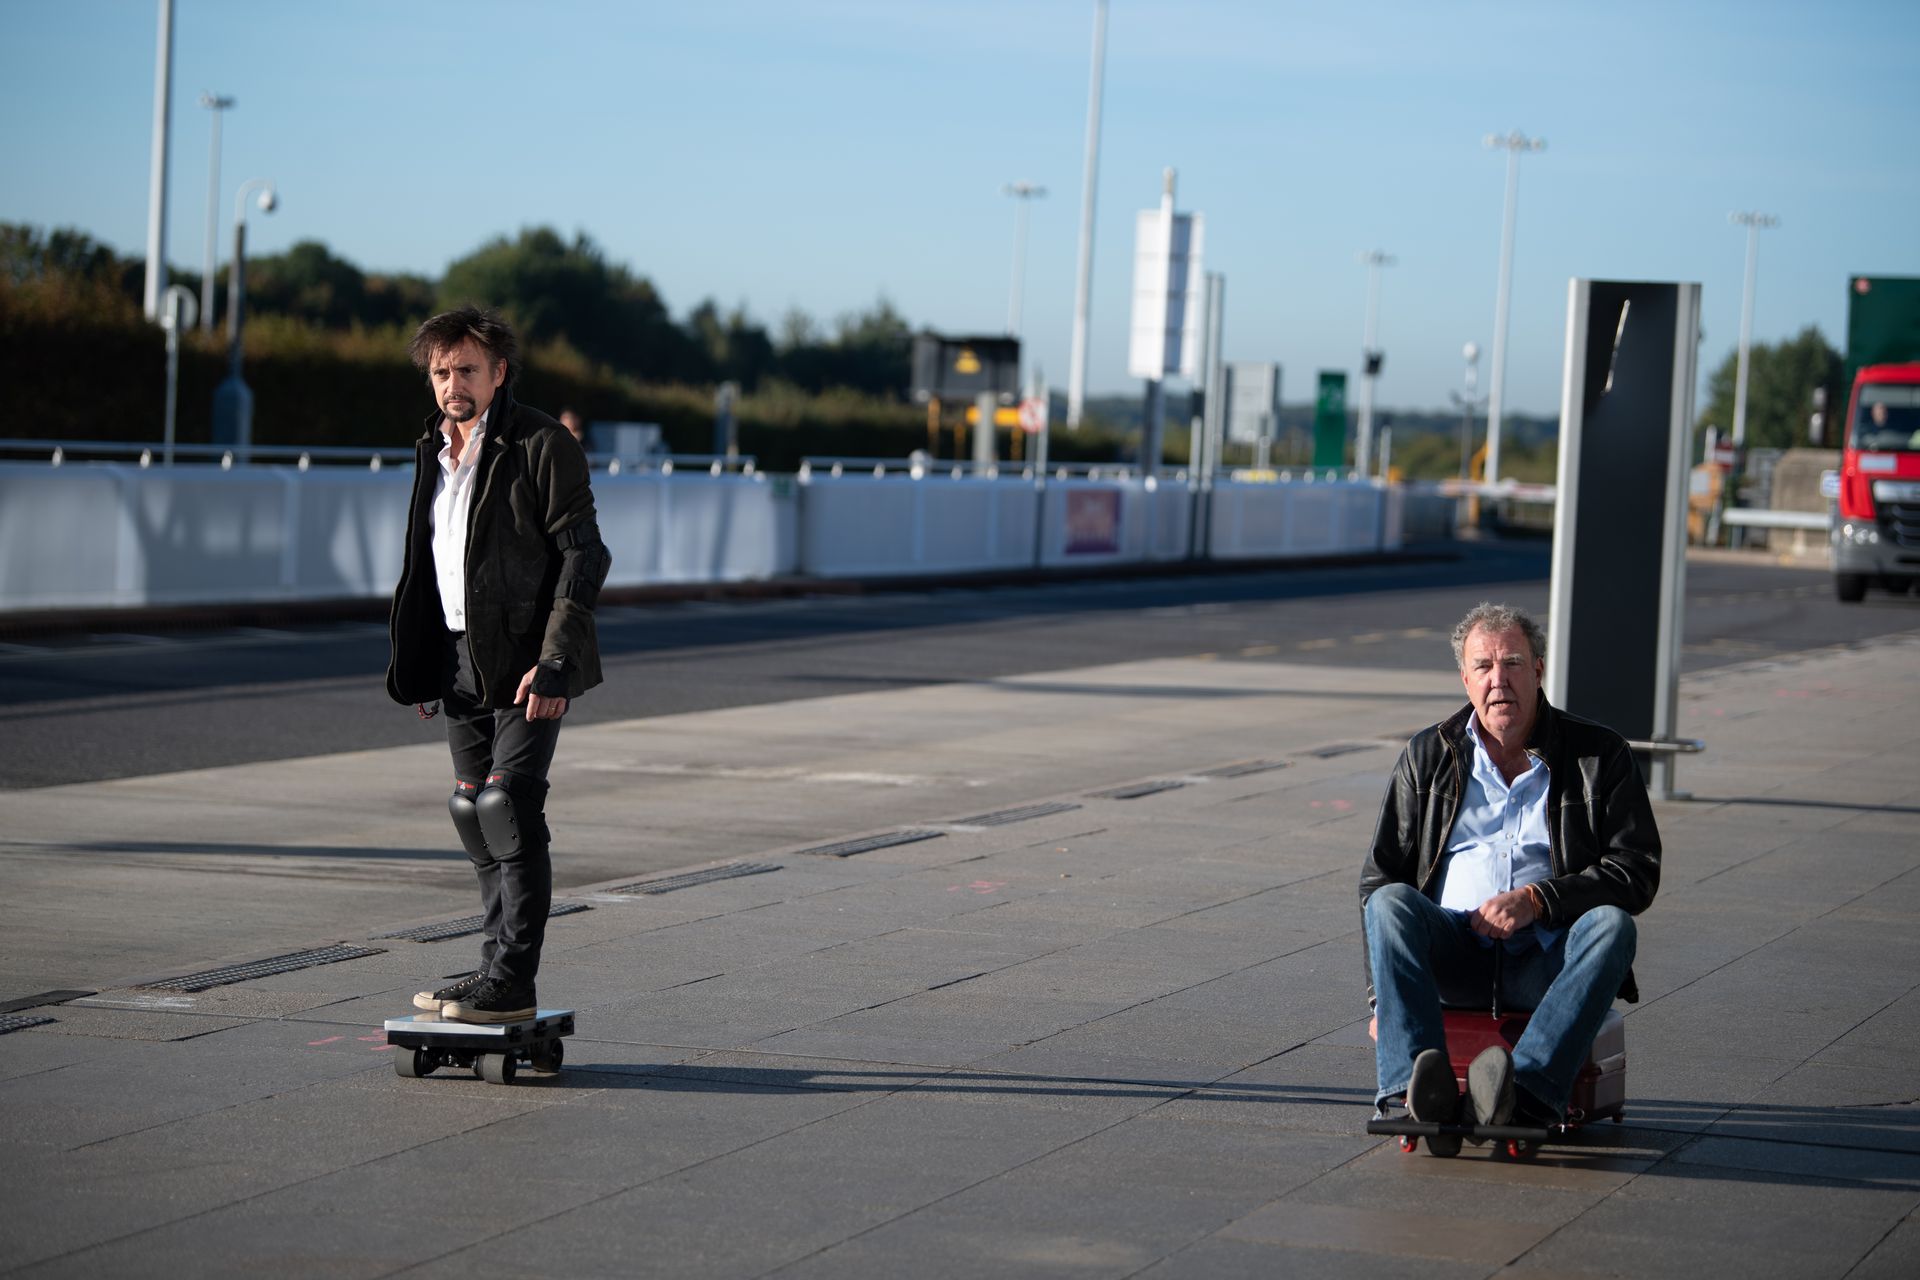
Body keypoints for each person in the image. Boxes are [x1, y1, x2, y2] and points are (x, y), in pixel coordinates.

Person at [1359, 603, 1659, 1143]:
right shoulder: (1427, 754)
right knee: (1389, 903)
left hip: (1548, 955)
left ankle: (1525, 1092)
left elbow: (1637, 870)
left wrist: (1538, 900)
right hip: (1453, 949)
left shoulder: (1599, 754)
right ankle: (1412, 1090)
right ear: (1465, 678)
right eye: (1483, 666)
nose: (1498, 680)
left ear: (1538, 669)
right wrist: (1382, 999)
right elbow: (1380, 877)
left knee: (1613, 926)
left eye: (1513, 663)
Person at [386, 307, 612, 1023]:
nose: (453, 385)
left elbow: (584, 555)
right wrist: (424, 659)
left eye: (467, 371)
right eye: (441, 372)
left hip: (526, 658)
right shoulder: (432, 447)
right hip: (459, 657)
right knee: (472, 814)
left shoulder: (542, 443)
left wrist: (556, 661)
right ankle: (492, 969)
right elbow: (433, 564)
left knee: (506, 807)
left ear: (499, 373)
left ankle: (513, 980)